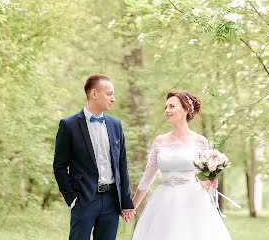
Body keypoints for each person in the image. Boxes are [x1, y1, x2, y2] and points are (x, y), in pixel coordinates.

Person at [131, 90, 233, 240]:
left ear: (185, 109)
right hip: (163, 202)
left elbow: (202, 179)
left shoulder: (200, 142)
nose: (167, 111)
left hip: (193, 201)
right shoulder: (159, 141)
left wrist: (210, 182)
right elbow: (147, 178)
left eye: (171, 106)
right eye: (165, 107)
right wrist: (131, 207)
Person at [53, 74, 136, 240]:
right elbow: (59, 166)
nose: (113, 98)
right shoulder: (69, 125)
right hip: (84, 199)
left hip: (112, 201)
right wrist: (72, 198)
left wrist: (126, 202)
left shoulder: (115, 125)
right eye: (109, 93)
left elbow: (121, 165)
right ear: (94, 94)